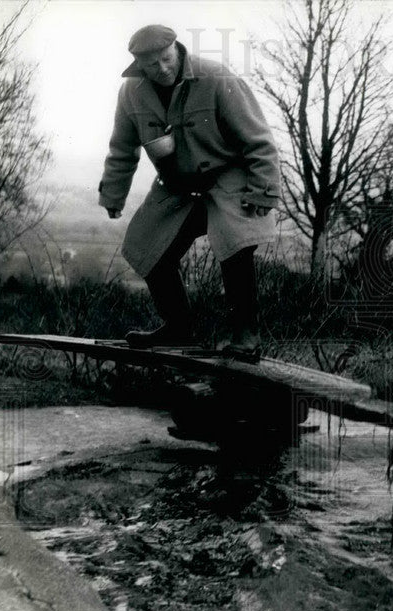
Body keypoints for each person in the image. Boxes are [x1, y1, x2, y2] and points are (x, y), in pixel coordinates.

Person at [98, 24, 280, 361]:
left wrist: (264, 189)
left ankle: (247, 335)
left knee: (235, 242)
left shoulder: (216, 78)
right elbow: (122, 148)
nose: (162, 69)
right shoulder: (131, 93)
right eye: (152, 65)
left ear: (177, 50)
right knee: (144, 244)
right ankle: (177, 326)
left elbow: (259, 139)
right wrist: (113, 195)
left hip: (229, 177)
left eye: (166, 59)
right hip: (179, 186)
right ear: (139, 65)